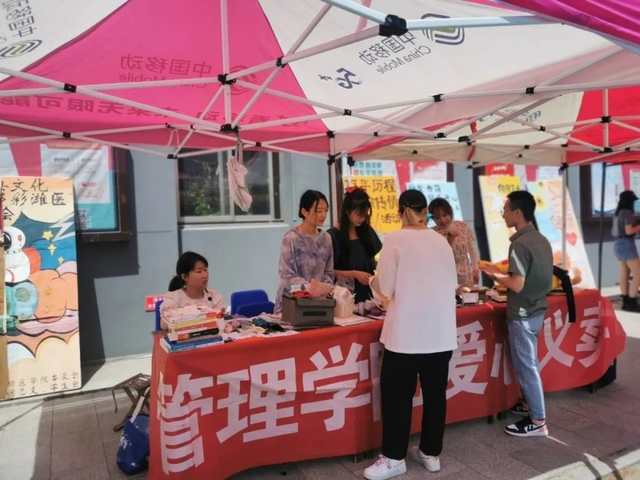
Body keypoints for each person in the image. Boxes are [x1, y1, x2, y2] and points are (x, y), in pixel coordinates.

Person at [363, 189, 458, 480]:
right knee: (435, 395)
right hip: (440, 333)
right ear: (425, 211)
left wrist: (371, 281)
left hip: (406, 334)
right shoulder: (441, 240)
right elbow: (452, 283)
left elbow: (385, 289)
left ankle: (394, 458)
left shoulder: (395, 239)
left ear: (402, 211)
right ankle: (431, 453)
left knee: (397, 397)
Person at [482, 190, 553, 438]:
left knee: (527, 366)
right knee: (527, 362)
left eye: (505, 209)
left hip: (522, 313)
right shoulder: (540, 239)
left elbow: (517, 284)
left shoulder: (520, 244)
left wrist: (494, 274)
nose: (503, 214)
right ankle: (528, 405)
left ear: (518, 212)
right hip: (537, 309)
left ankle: (538, 420)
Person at [274, 190, 334, 313]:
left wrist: (326, 288)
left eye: (326, 210)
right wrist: (309, 288)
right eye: (319, 211)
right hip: (292, 303)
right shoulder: (291, 238)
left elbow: (328, 272)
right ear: (304, 212)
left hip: (318, 303)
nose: (323, 215)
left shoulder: (326, 239)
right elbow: (286, 275)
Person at [327, 187, 382, 303]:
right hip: (344, 296)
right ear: (347, 211)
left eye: (365, 214)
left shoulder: (367, 231)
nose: (362, 218)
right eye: (358, 214)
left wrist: (384, 269)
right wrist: (354, 274)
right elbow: (329, 271)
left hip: (368, 294)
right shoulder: (333, 236)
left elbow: (371, 260)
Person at [160, 251, 225, 330]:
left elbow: (222, 320)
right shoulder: (174, 297)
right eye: (199, 271)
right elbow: (164, 324)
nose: (205, 275)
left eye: (205, 270)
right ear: (184, 277)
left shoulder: (214, 296)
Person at [428, 197, 479, 287]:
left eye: (445, 215)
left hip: (466, 276)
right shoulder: (432, 233)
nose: (442, 220)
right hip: (445, 278)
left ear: (450, 212)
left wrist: (475, 269)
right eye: (437, 218)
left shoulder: (463, 226)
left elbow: (472, 249)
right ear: (432, 219)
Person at [612, 190, 640, 312]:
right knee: (638, 274)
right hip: (627, 244)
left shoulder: (617, 213)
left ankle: (625, 301)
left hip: (618, 244)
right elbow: (629, 231)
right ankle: (632, 301)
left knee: (624, 275)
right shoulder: (627, 212)